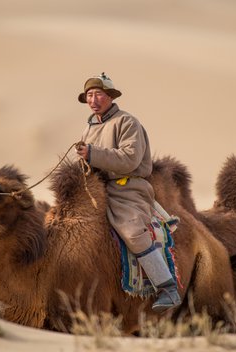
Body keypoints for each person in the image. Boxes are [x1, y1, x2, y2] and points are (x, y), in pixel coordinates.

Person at [75, 72, 181, 313]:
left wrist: (92, 154)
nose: (93, 100)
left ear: (110, 97)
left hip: (127, 188)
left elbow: (130, 160)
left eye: (98, 94)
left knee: (132, 231)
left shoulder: (127, 122)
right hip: (98, 188)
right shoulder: (89, 128)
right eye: (89, 95)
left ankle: (167, 287)